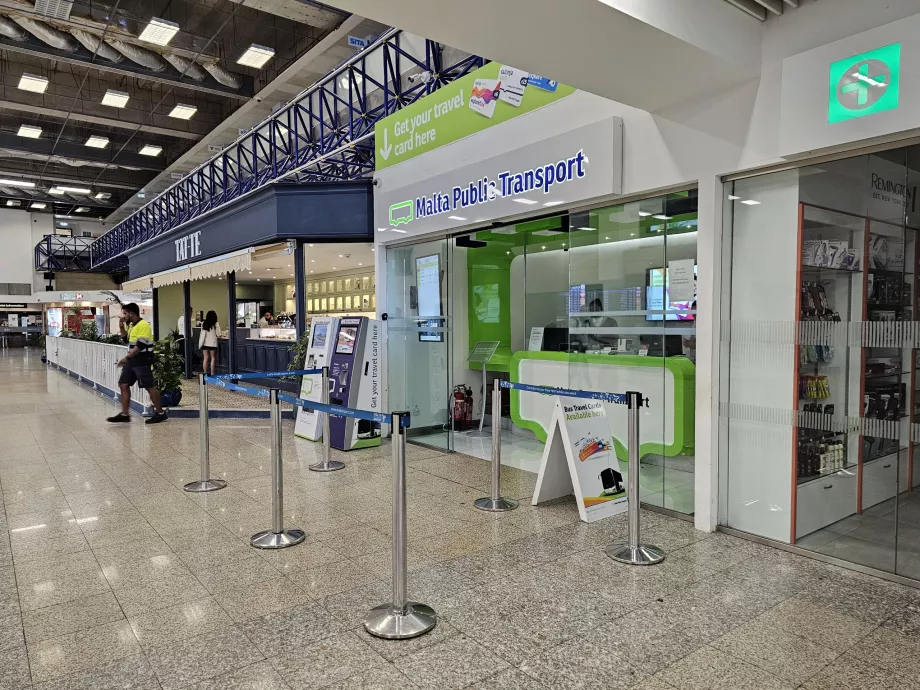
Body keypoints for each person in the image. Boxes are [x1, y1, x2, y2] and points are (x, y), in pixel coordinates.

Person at [107, 303, 168, 425]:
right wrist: (121, 327)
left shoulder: (143, 325)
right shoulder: (132, 326)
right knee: (123, 384)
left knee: (149, 386)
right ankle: (125, 414)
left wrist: (126, 358)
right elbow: (126, 340)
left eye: (125, 313)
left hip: (142, 360)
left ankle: (160, 413)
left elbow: (140, 346)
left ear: (131, 313)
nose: (123, 316)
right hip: (132, 361)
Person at [198, 310, 221, 376]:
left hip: (205, 343)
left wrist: (200, 344)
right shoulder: (216, 323)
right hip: (213, 344)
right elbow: (218, 334)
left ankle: (205, 373)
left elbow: (202, 335)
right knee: (213, 358)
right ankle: (212, 373)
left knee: (205, 358)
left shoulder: (204, 323)